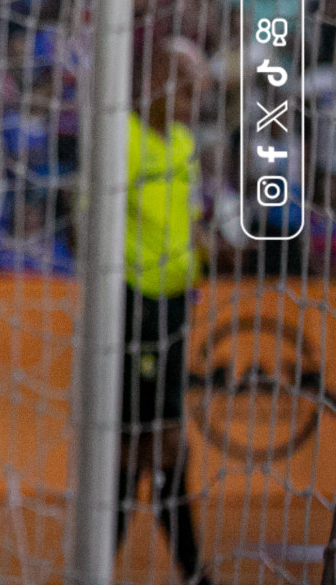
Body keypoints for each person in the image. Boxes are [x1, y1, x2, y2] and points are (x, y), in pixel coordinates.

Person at [115, 36, 211, 585]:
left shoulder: (183, 144)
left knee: (162, 443)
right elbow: (92, 223)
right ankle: (195, 572)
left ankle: (188, 570)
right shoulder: (123, 139)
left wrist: (201, 256)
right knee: (141, 445)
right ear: (154, 81)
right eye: (181, 90)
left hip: (175, 303)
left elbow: (188, 218)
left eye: (195, 95)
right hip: (133, 304)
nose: (188, 104)